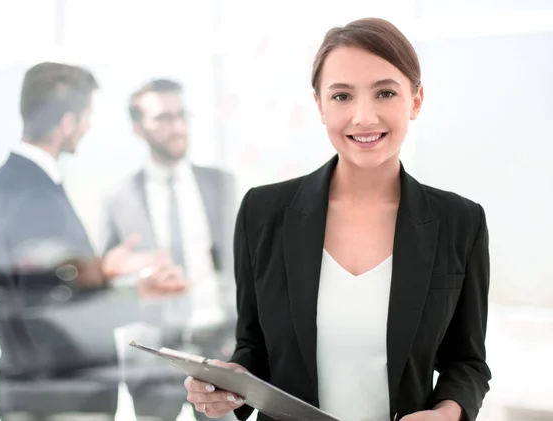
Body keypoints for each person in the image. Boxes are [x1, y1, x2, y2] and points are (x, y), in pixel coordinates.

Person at [184, 17, 491, 421]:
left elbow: (466, 363)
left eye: (385, 93)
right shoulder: (263, 212)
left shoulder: (459, 222)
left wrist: (447, 413)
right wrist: (229, 381)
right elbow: (253, 347)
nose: (364, 117)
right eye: (342, 96)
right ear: (320, 107)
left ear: (415, 101)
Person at [0, 62, 179, 421]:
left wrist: (103, 271)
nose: (88, 127)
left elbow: (51, 281)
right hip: (57, 401)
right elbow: (53, 308)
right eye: (86, 116)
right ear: (68, 122)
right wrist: (138, 293)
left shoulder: (17, 183)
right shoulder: (30, 192)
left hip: (47, 396)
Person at [99, 79, 236, 421]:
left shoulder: (221, 185)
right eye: (163, 118)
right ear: (137, 127)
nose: (176, 127)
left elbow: (242, 266)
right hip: (152, 357)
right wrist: (141, 281)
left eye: (181, 115)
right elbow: (105, 283)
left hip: (216, 349)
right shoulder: (117, 197)